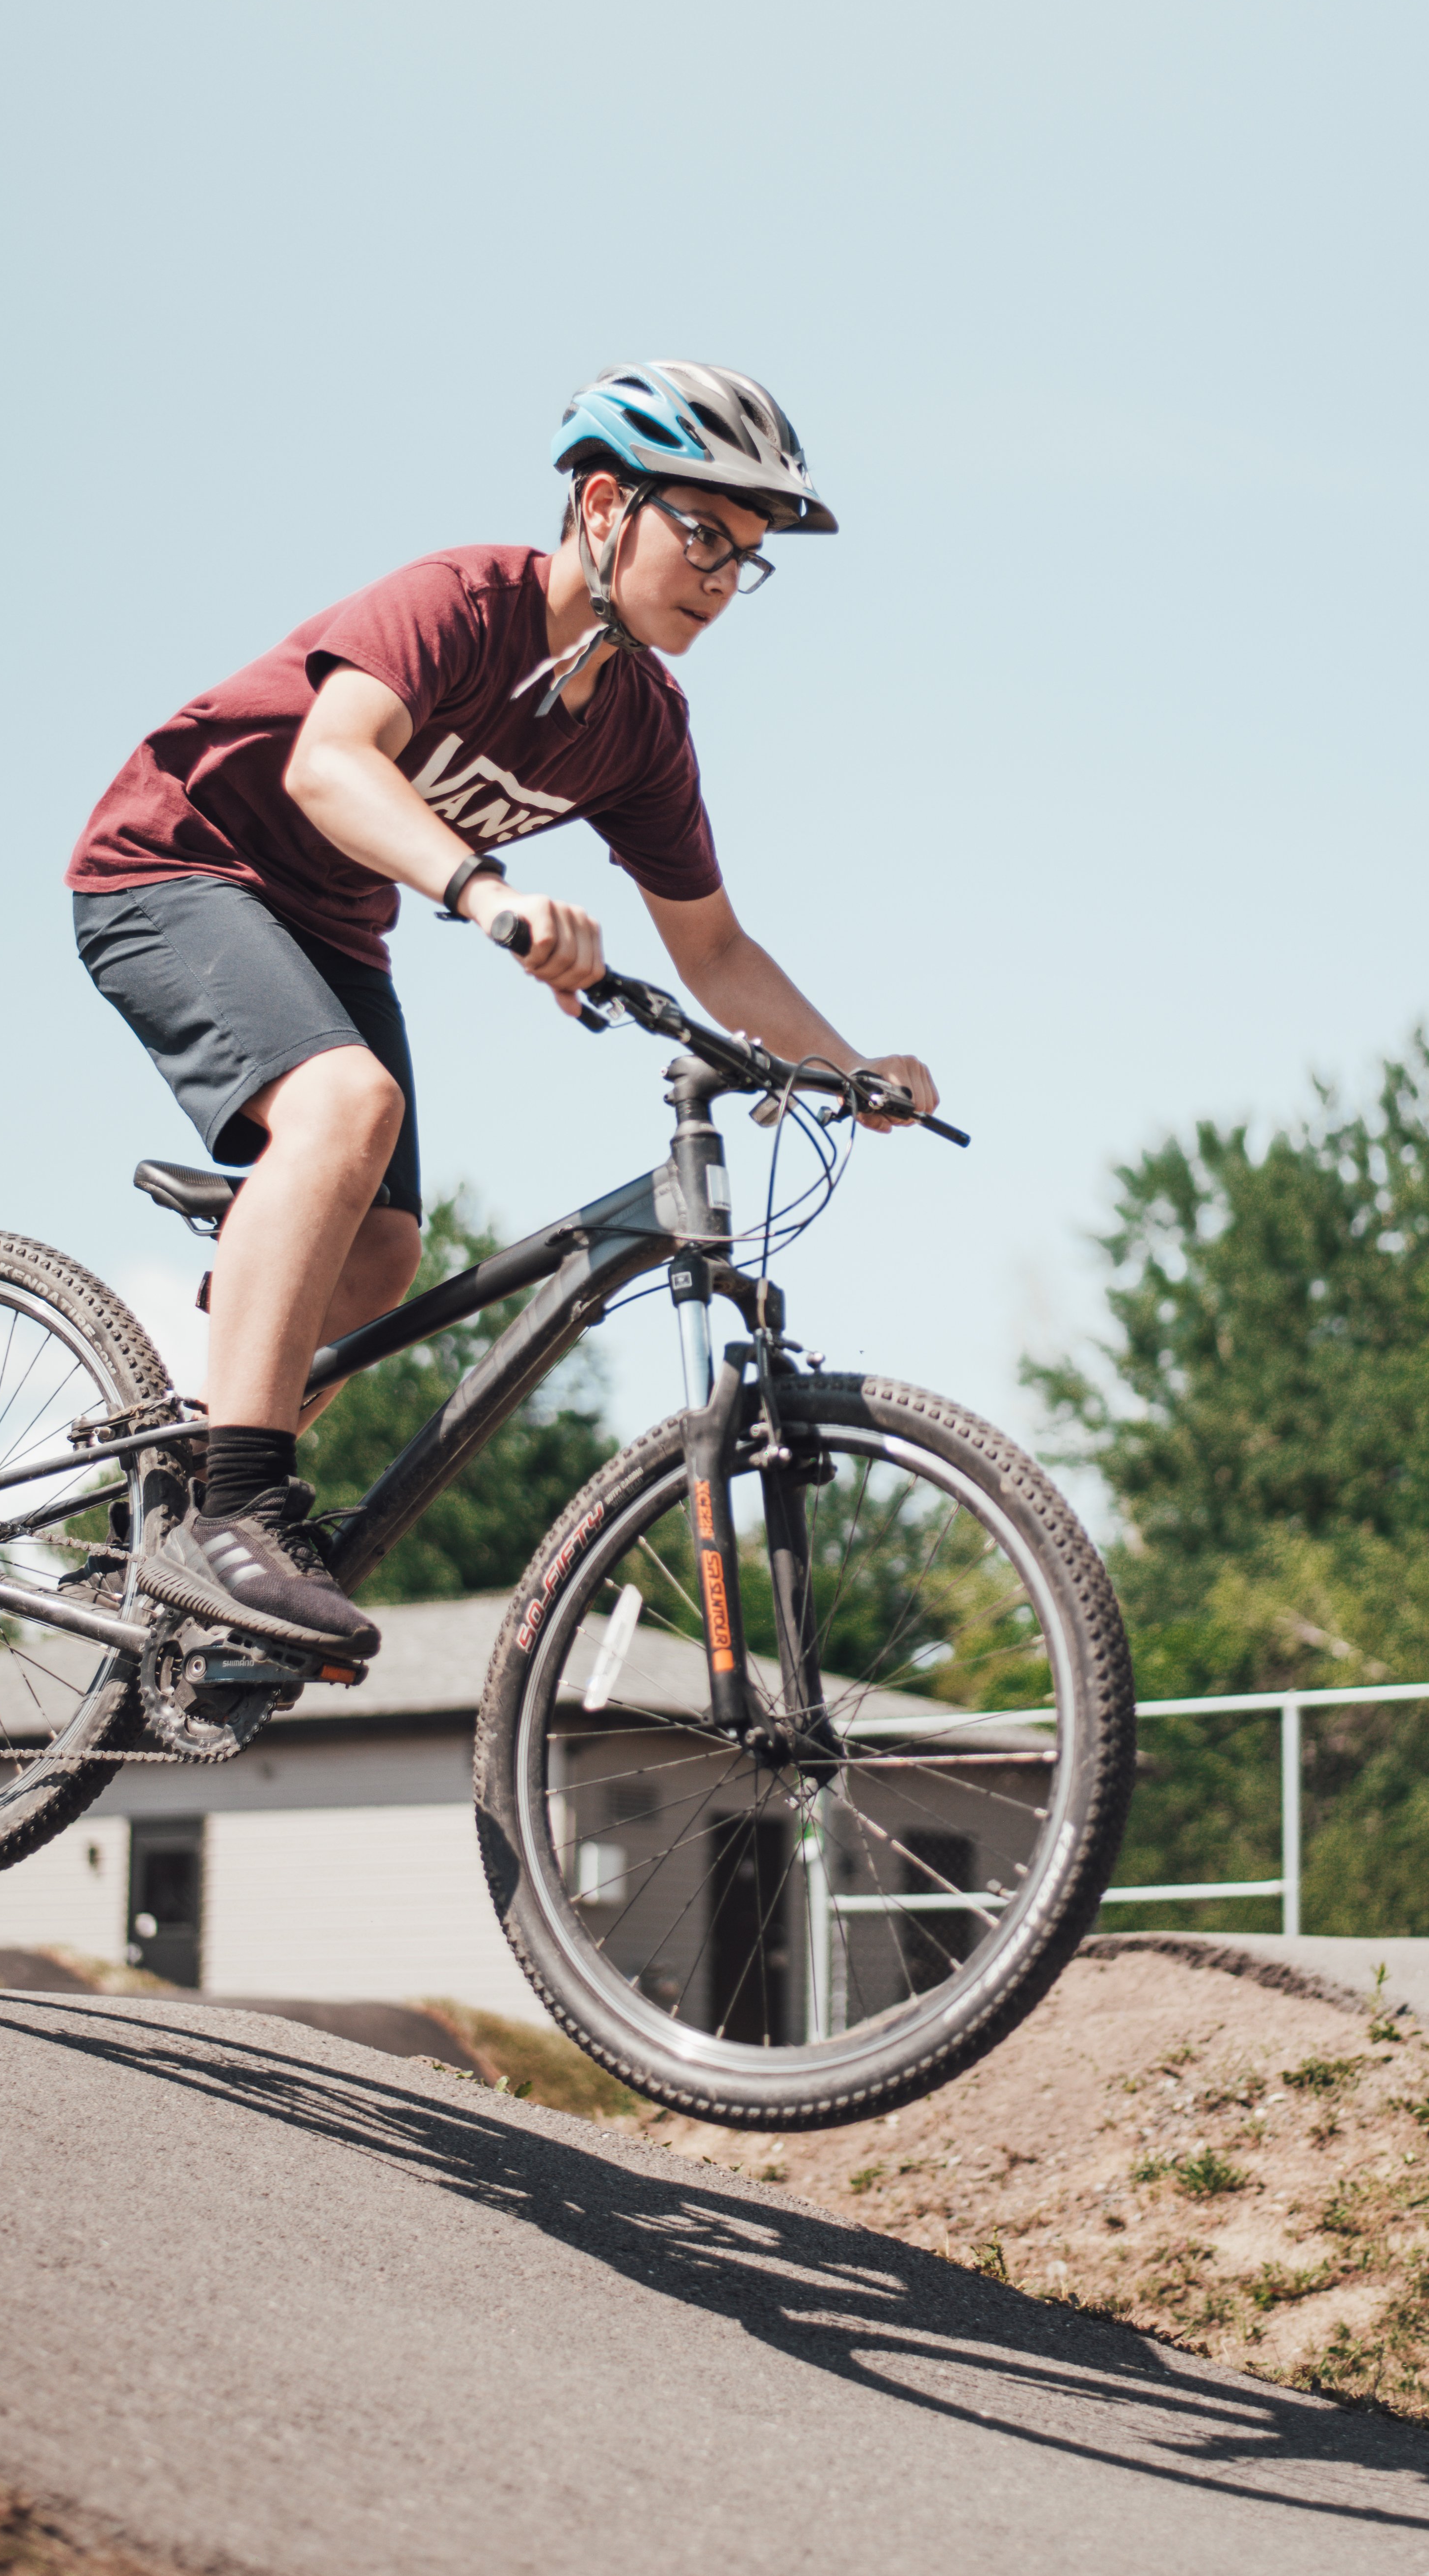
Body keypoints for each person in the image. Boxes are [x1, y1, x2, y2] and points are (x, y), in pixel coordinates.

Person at [67, 358, 939, 1665]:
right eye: (703, 533)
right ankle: (227, 1513)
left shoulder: (639, 726)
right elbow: (327, 759)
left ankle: (176, 1504)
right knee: (345, 1105)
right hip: (176, 866)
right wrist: (486, 894)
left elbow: (709, 944)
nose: (720, 577)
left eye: (745, 558)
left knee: (378, 1258)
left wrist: (850, 1067)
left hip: (328, 925)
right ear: (601, 505)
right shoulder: (463, 605)